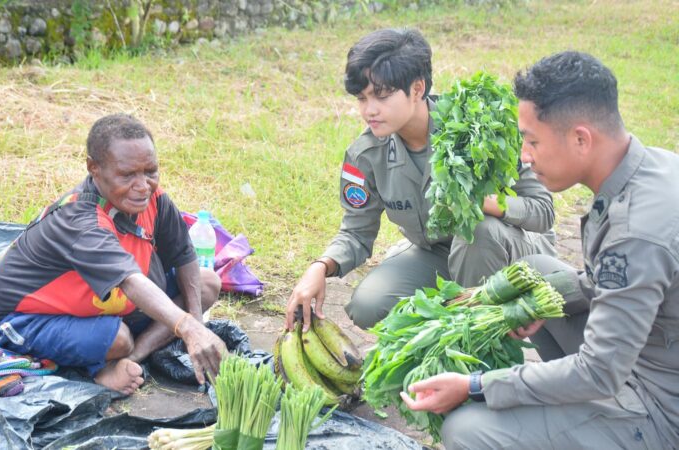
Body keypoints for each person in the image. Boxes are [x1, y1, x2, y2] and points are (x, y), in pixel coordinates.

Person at [401, 51, 678, 449]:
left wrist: (476, 385)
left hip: (660, 408)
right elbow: (612, 285)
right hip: (648, 352)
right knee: (537, 277)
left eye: (532, 141)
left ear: (581, 138)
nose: (525, 156)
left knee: (466, 431)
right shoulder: (653, 166)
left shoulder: (636, 235)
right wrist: (522, 304)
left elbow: (600, 372)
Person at [285, 28, 557, 331]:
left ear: (417, 89)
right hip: (439, 252)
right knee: (369, 304)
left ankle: (482, 345)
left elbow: (543, 211)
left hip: (514, 251)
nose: (369, 110)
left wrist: (486, 203)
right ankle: (452, 320)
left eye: (381, 95)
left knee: (478, 232)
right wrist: (320, 267)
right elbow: (356, 232)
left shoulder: (479, 128)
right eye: (362, 98)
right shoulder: (366, 155)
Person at [0, 114, 227, 395]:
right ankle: (101, 368)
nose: (143, 185)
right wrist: (189, 328)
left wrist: (195, 322)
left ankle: (132, 358)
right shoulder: (82, 221)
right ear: (93, 168)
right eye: (127, 175)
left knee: (207, 284)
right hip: (28, 317)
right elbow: (131, 281)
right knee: (117, 338)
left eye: (150, 171)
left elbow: (184, 255)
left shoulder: (153, 201)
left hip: (103, 303)